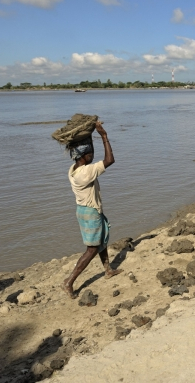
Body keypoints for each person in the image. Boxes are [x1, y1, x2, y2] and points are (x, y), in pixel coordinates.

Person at [62, 122, 122, 299]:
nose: (93, 156)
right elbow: (110, 160)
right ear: (84, 156)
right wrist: (104, 136)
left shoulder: (73, 169)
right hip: (90, 212)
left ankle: (108, 270)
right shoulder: (85, 173)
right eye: (91, 153)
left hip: (86, 210)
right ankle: (69, 281)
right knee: (92, 249)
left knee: (101, 240)